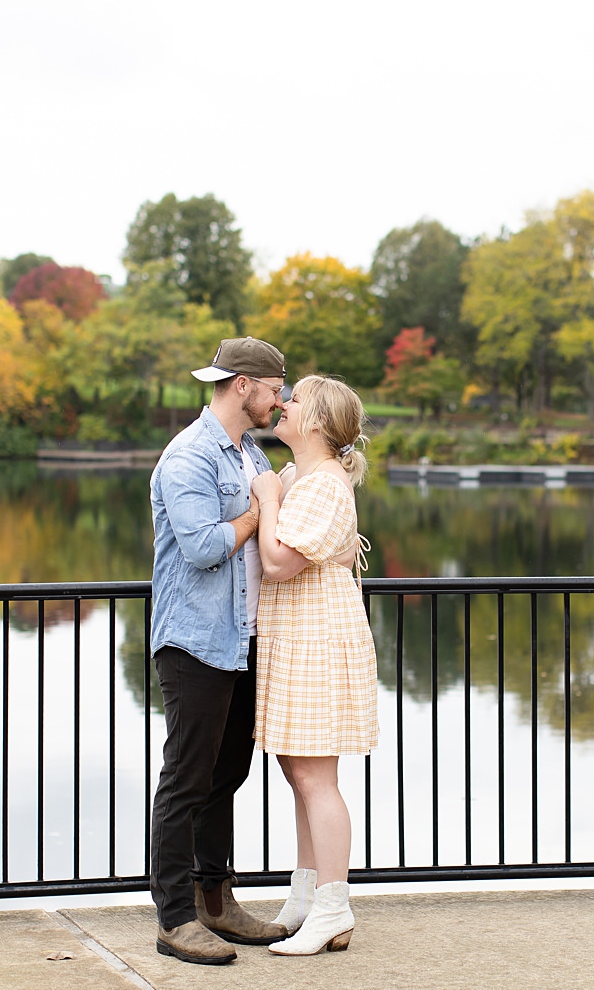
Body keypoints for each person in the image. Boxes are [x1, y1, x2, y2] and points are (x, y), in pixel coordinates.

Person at [147, 336, 291, 966]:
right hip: (194, 641)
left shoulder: (248, 452)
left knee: (226, 774)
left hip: (240, 637)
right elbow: (205, 548)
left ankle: (217, 901)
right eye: (275, 386)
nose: (279, 398)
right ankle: (175, 917)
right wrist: (262, 511)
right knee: (186, 779)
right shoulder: (189, 457)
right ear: (243, 385)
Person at [249, 374, 379, 956]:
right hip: (296, 636)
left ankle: (334, 906)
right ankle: (305, 897)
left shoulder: (321, 484)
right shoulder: (301, 476)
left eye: (293, 399)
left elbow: (278, 562)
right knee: (298, 775)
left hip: (317, 639)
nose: (282, 404)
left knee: (315, 780)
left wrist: (270, 500)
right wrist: (276, 492)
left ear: (319, 423)